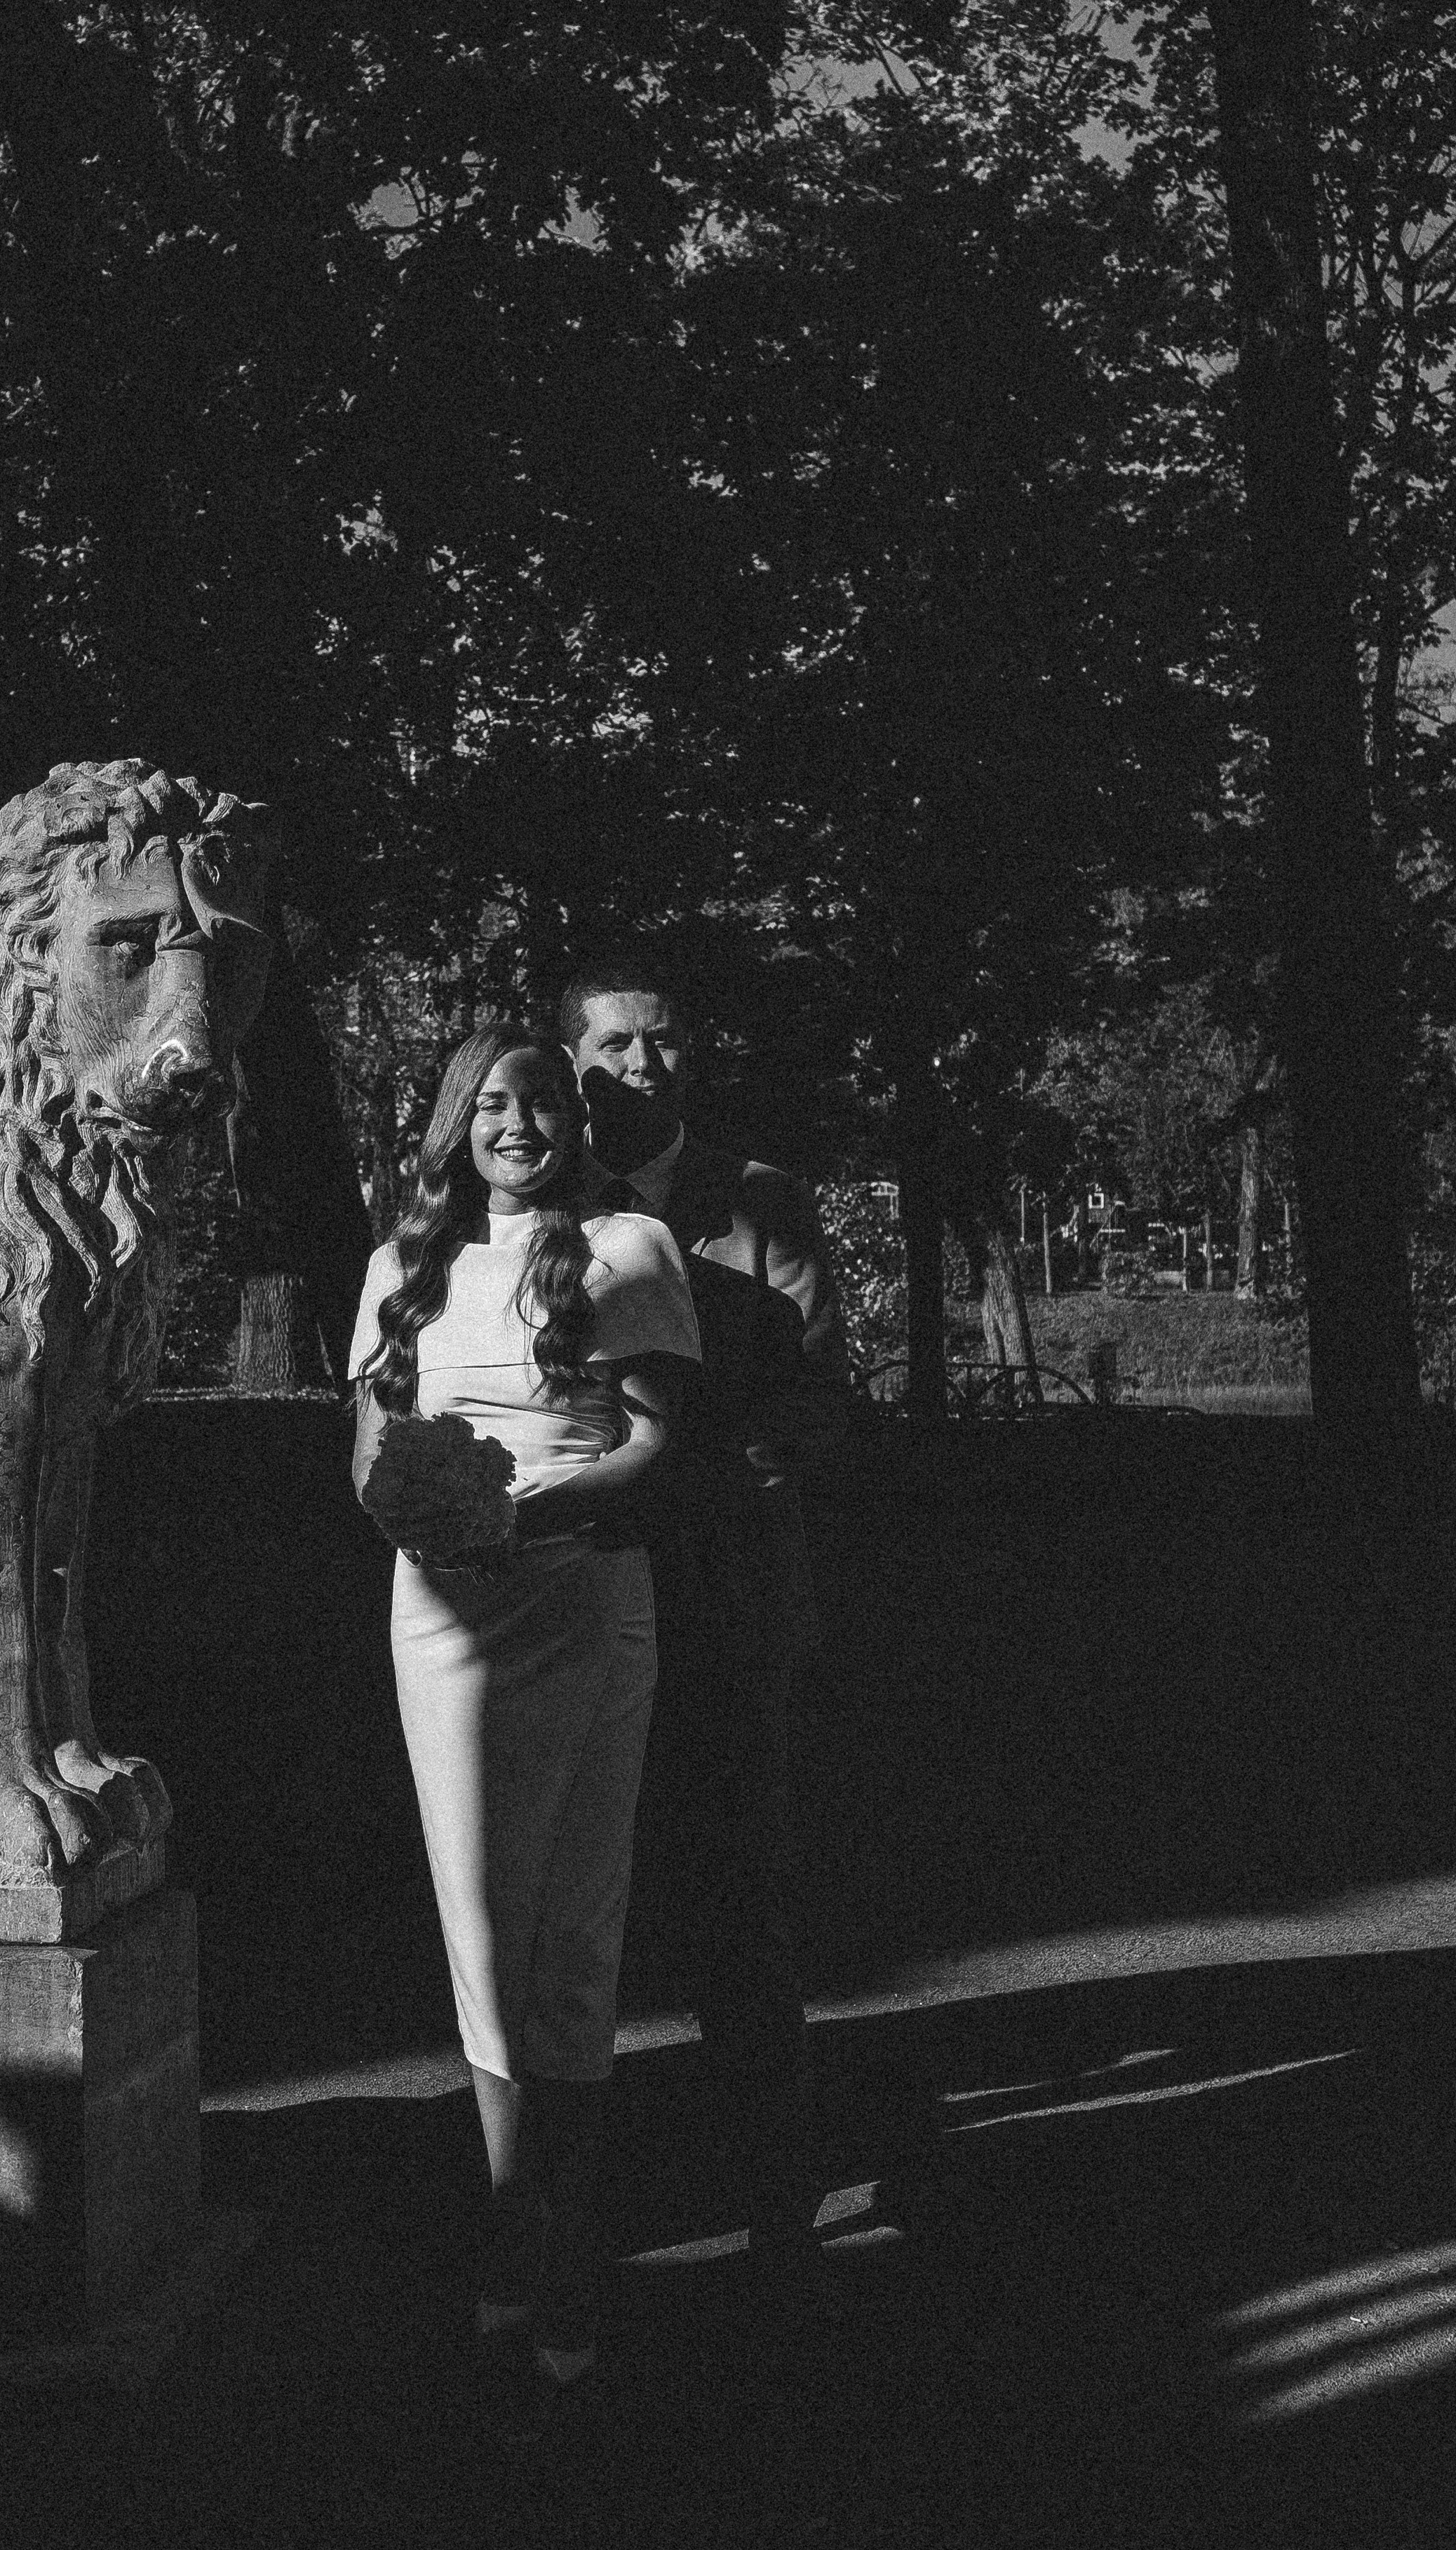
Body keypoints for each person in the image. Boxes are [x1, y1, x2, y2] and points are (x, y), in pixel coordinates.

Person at [349, 1022, 700, 2395]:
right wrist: (426, 1510)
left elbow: (656, 1444)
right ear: (456, 1122)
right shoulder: (403, 1266)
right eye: (489, 1103)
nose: (514, 1124)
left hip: (584, 1602)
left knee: (578, 1921)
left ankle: (567, 2231)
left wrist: (525, 1510)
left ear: (573, 1119)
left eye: (540, 1101)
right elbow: (370, 1455)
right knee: (483, 1923)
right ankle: (518, 2219)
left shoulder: (627, 1250)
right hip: (446, 1622)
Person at [558, 952, 851, 2304]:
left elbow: (814, 1395)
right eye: (614, 1045)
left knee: (739, 1897)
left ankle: (776, 2183)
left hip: (722, 1596)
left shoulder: (760, 1202)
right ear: (572, 1062)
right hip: (564, 1599)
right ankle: (578, 2185)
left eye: (664, 1041)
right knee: (572, 1901)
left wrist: (741, 1455)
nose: (642, 1065)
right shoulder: (526, 1191)